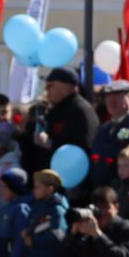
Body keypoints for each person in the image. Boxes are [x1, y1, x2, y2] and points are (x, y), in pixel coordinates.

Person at [30, 68, 100, 201]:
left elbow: (83, 146)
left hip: (74, 185)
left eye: (51, 86)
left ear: (66, 86)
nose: (47, 90)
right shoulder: (57, 109)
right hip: (55, 183)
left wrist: (50, 144)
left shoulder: (80, 110)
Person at [88, 81, 129, 193]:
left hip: (123, 191)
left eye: (117, 97)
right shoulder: (104, 128)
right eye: (108, 98)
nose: (112, 102)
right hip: (100, 191)